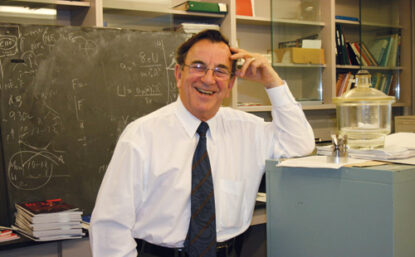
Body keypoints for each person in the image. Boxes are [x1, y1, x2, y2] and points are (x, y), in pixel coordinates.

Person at [89, 29, 315, 257]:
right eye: (198, 66)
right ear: (178, 74)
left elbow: (299, 143)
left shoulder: (249, 130)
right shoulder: (141, 135)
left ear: (230, 84)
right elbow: (110, 226)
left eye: (220, 71)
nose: (208, 79)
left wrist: (272, 82)